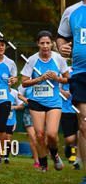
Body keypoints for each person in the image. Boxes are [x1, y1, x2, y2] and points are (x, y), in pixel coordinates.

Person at [20, 30, 69, 172]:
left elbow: (67, 78)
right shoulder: (32, 60)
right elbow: (24, 83)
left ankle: (54, 154)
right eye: (42, 43)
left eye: (48, 43)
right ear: (37, 44)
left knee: (52, 134)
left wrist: (57, 78)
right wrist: (40, 79)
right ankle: (43, 165)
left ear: (52, 43)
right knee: (39, 134)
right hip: (36, 101)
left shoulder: (59, 59)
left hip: (54, 101)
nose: (46, 46)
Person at [57, 0, 86, 184]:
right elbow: (61, 38)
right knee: (84, 124)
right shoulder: (72, 11)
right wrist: (62, 48)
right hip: (80, 73)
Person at [60, 68, 80, 169]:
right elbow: (56, 87)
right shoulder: (65, 71)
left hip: (80, 109)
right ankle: (68, 147)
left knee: (79, 135)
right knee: (70, 139)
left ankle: (75, 159)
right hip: (66, 109)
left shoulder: (82, 71)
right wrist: (63, 92)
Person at [17, 85, 40, 169]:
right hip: (28, 111)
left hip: (42, 110)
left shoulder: (44, 79)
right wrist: (26, 100)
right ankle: (37, 161)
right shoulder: (26, 81)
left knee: (41, 137)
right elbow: (19, 95)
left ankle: (44, 157)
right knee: (32, 137)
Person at [4, 86, 22, 163]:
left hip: (11, 120)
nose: (7, 84)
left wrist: (14, 107)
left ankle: (6, 157)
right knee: (1, 137)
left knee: (8, 138)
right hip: (0, 119)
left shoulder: (15, 93)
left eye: (9, 82)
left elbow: (21, 106)